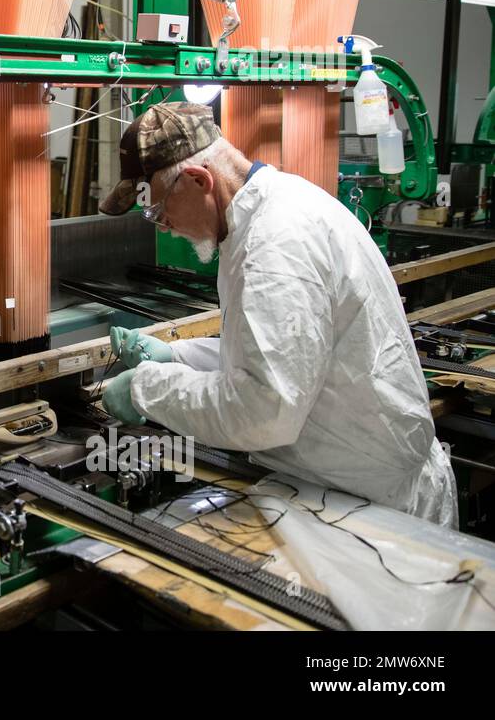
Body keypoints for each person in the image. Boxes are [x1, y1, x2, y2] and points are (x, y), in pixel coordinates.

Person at [97, 102, 457, 528]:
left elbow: (266, 410)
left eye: (157, 211)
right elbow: (290, 358)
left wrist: (147, 389)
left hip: (377, 508)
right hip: (342, 485)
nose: (161, 225)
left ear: (197, 180)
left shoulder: (275, 245)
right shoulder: (263, 215)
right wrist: (179, 357)